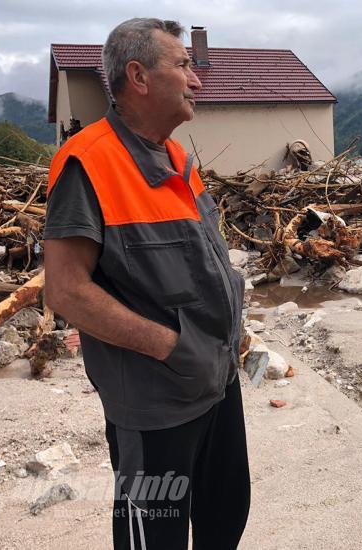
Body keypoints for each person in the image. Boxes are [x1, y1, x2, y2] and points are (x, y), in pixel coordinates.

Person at [44, 18, 249, 550]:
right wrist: (172, 347)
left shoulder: (176, 157)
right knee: (152, 537)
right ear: (138, 76)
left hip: (216, 382)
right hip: (156, 403)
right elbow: (65, 291)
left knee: (226, 514)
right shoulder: (87, 162)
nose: (197, 79)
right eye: (183, 65)